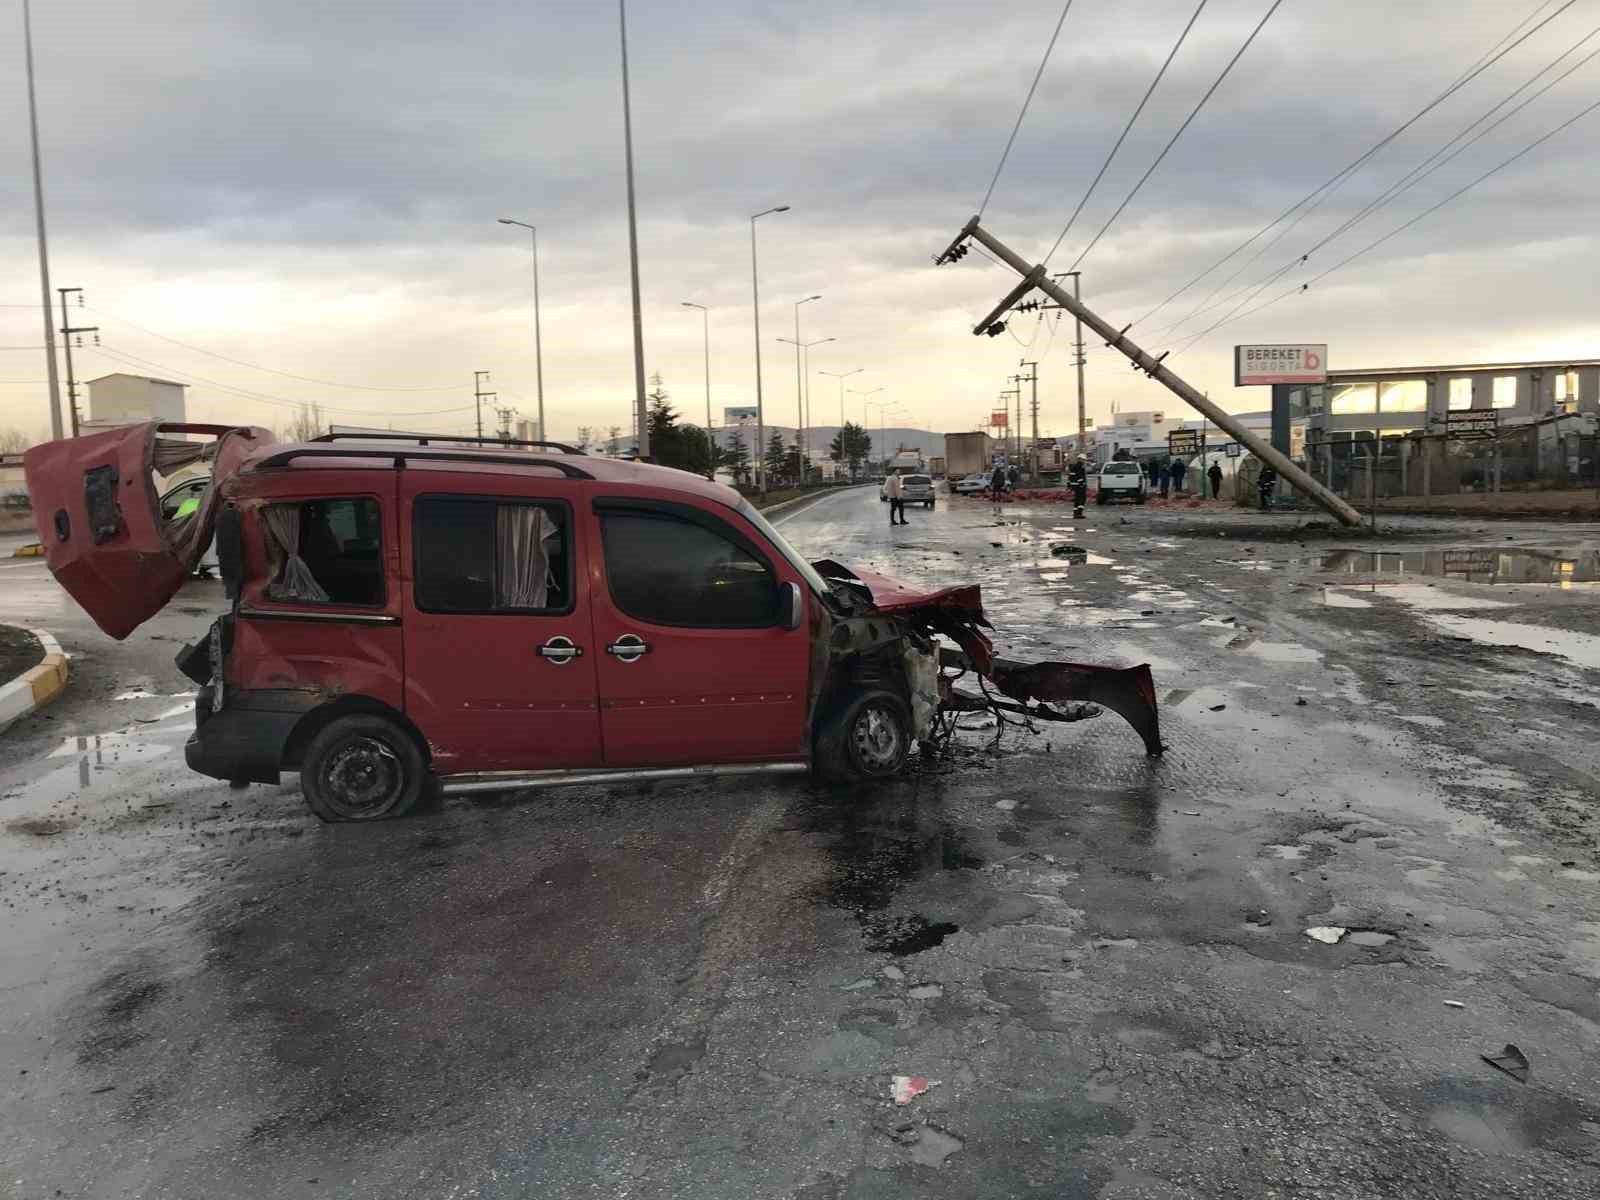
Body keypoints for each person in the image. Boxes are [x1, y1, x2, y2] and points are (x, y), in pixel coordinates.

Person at [1067, 455, 1089, 520]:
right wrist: (1082, 484)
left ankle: (1076, 513)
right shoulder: (1080, 466)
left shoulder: (1074, 466)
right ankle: (1079, 514)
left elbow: (1070, 477)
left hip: (1075, 486)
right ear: (1080, 459)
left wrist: (1069, 485)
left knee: (1077, 500)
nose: (1084, 461)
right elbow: (1080, 477)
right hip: (1080, 486)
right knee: (1081, 499)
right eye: (1084, 460)